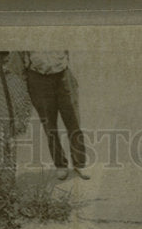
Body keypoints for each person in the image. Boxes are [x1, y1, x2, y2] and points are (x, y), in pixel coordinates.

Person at [11, 51, 89, 181]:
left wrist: (72, 71)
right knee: (49, 125)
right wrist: (30, 78)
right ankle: (60, 165)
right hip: (39, 78)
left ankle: (79, 163)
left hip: (63, 75)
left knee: (73, 122)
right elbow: (16, 61)